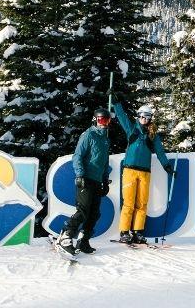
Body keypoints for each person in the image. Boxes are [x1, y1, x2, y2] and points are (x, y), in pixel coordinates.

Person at [113, 103, 175, 245]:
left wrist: (166, 166)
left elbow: (159, 151)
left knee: (142, 203)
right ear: (138, 116)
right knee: (128, 203)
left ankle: (137, 232)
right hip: (129, 170)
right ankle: (124, 232)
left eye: (148, 117)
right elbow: (122, 117)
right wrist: (116, 103)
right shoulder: (132, 129)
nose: (145, 119)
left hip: (145, 172)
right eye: (142, 116)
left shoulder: (152, 134)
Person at [57, 107, 111, 256]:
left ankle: (83, 240)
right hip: (86, 178)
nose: (104, 123)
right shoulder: (88, 135)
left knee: (94, 213)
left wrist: (105, 180)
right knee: (83, 210)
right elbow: (78, 156)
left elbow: (105, 162)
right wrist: (80, 175)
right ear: (95, 120)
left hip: (97, 180)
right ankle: (66, 236)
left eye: (107, 120)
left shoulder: (105, 139)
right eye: (101, 120)